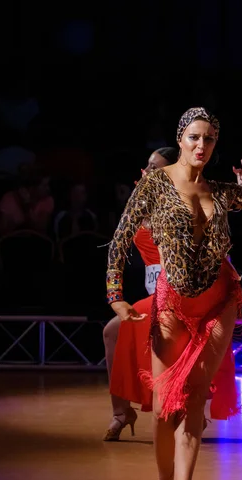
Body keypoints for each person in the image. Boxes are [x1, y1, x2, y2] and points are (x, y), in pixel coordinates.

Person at [106, 107, 242, 480]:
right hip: (173, 304)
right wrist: (116, 297)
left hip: (220, 301)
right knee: (162, 409)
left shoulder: (222, 191)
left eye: (209, 139)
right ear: (180, 138)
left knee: (194, 399)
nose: (201, 146)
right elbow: (119, 241)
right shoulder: (156, 183)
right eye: (194, 137)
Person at [103, 147, 180, 441]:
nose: (145, 171)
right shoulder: (139, 202)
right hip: (154, 294)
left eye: (154, 168)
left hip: (178, 292)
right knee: (112, 332)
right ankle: (122, 412)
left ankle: (185, 408)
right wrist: (115, 297)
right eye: (146, 165)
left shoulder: (179, 205)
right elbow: (116, 250)